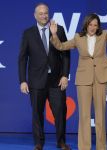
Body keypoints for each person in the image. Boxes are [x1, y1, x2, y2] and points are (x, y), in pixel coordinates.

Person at [49, 3, 107, 150]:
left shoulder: (103, 35)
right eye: (90, 24)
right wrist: (54, 34)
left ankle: (101, 147)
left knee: (100, 114)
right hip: (84, 79)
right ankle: (84, 146)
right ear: (86, 25)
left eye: (95, 25)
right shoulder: (78, 38)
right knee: (84, 115)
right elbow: (61, 46)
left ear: (98, 26)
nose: (93, 27)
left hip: (101, 77)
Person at [18, 3, 70, 150]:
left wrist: (65, 75)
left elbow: (65, 55)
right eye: (40, 13)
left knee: (60, 113)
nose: (44, 16)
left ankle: (61, 142)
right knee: (37, 114)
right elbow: (22, 58)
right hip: (36, 81)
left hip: (56, 81)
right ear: (35, 15)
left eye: (46, 13)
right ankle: (39, 143)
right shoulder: (28, 33)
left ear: (49, 14)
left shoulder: (58, 30)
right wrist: (22, 80)